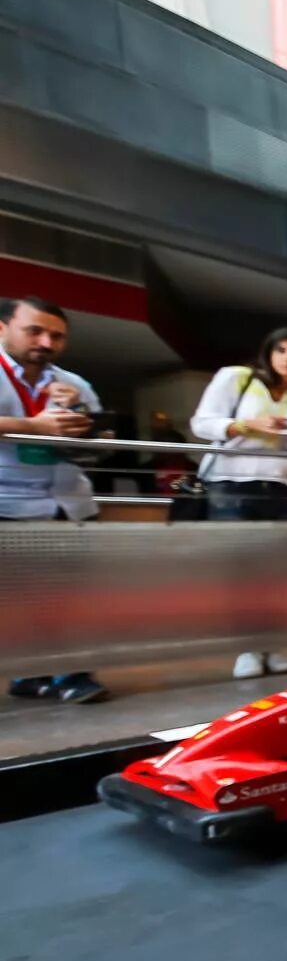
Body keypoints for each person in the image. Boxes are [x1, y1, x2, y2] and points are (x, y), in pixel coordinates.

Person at [1, 297, 110, 703]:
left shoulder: (74, 384)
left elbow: (97, 450)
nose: (46, 342)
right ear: (3, 329)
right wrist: (32, 425)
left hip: (70, 503)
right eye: (35, 331)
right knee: (17, 599)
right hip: (6, 502)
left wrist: (85, 427)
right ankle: (28, 674)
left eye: (57, 336)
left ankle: (73, 673)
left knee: (75, 596)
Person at [191, 327, 287, 524]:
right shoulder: (238, 377)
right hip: (232, 482)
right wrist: (248, 425)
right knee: (237, 551)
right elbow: (201, 424)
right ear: (268, 352)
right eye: (280, 350)